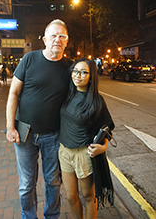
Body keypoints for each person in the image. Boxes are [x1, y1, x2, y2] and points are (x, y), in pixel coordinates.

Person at [6, 19, 73, 219]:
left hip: (54, 135)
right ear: (45, 39)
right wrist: (10, 127)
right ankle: (29, 216)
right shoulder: (29, 59)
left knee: (53, 181)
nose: (57, 40)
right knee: (27, 184)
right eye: (53, 35)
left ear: (67, 41)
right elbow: (13, 94)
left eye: (62, 36)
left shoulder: (70, 67)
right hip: (25, 133)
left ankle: (51, 216)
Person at [59, 58, 115, 219]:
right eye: (75, 71)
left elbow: (108, 126)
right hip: (64, 152)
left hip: (83, 154)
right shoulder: (67, 94)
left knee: (88, 196)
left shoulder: (96, 101)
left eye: (84, 72)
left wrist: (103, 147)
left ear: (91, 76)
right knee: (70, 196)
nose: (78, 75)